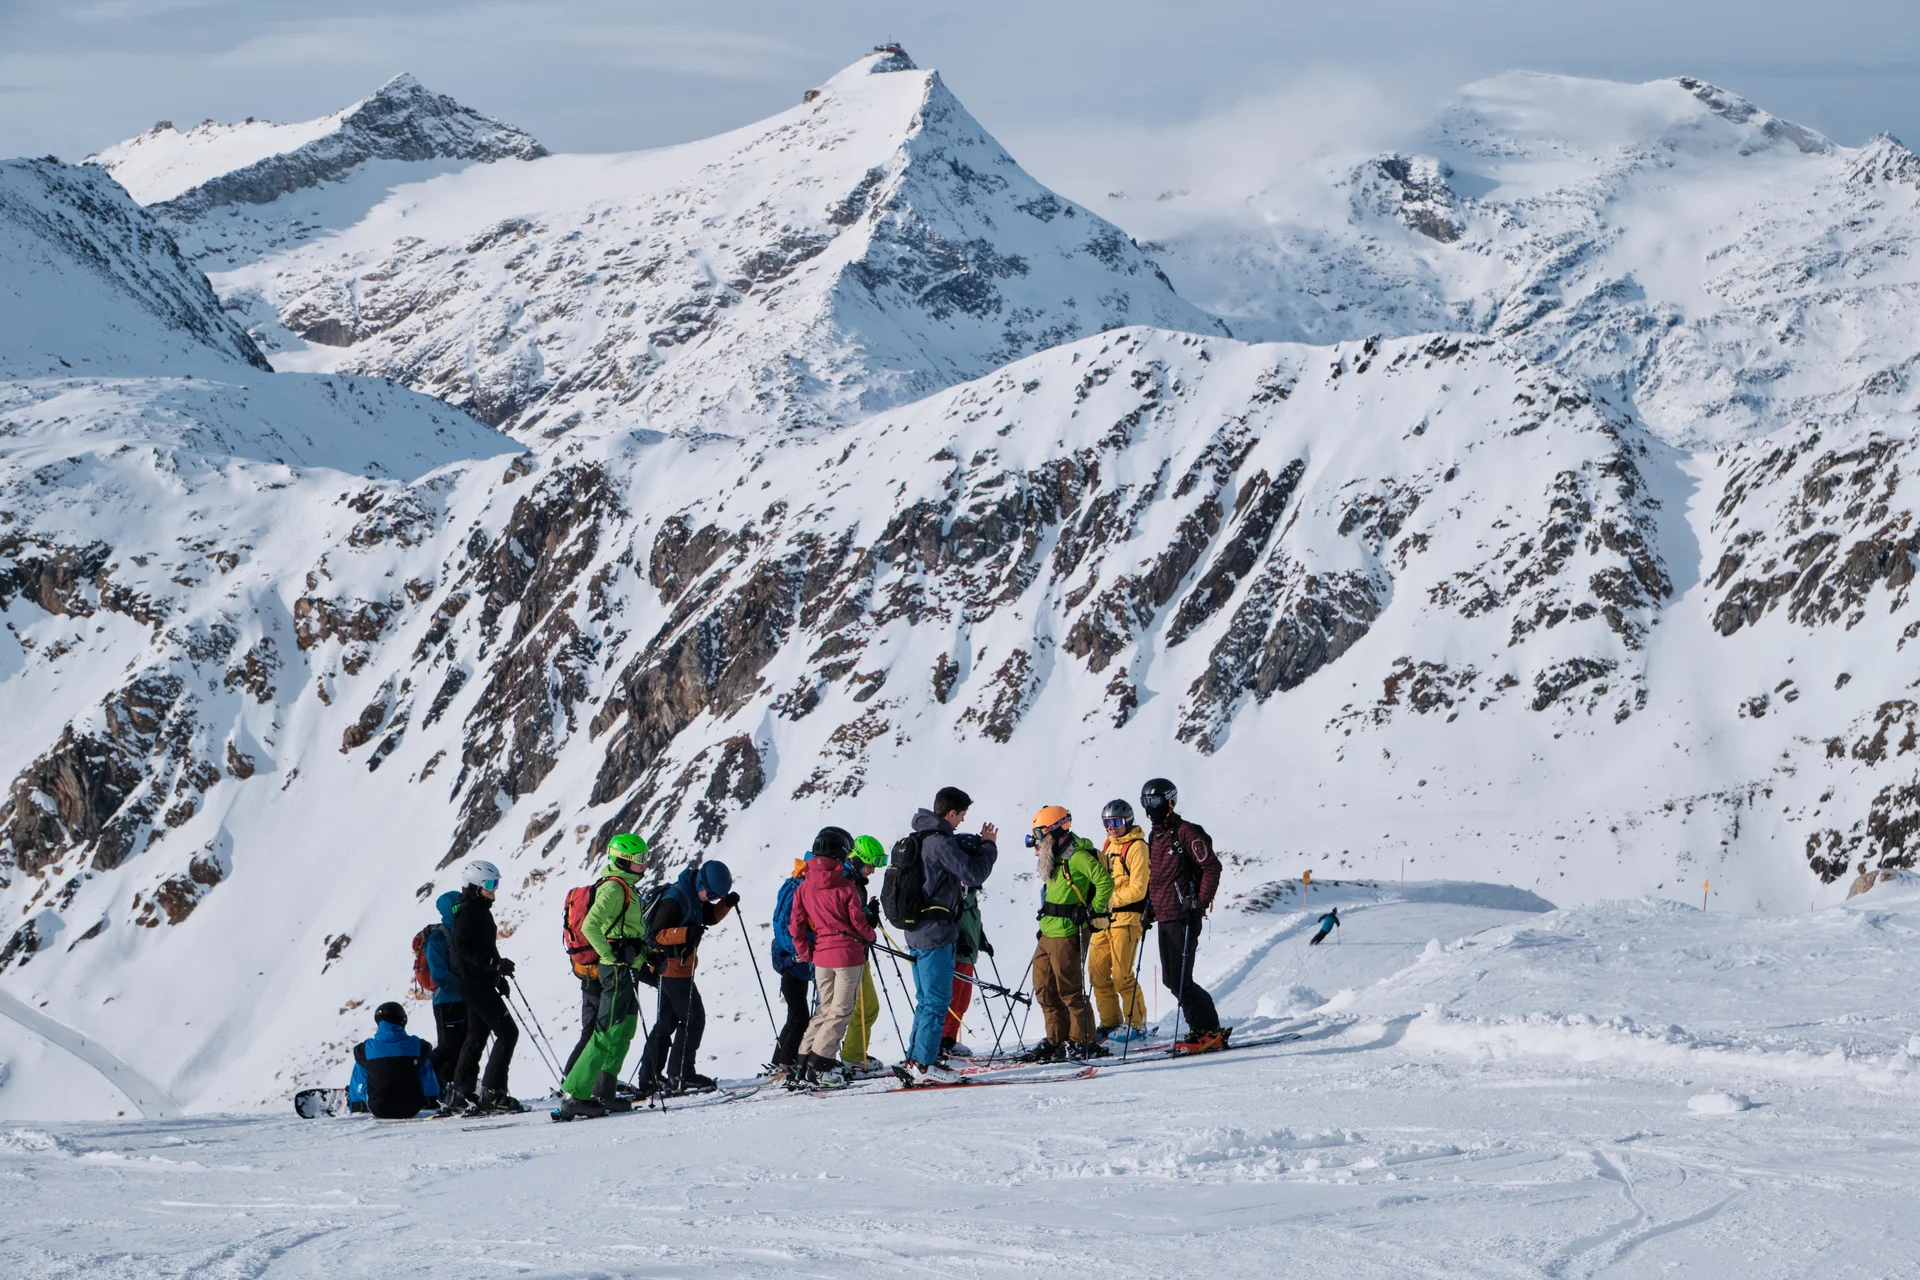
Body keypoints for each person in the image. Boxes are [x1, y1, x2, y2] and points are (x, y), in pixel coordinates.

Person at [901, 787, 998, 1084]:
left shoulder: (916, 839)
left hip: (915, 931)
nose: (961, 823)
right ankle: (924, 1064)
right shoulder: (939, 842)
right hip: (935, 932)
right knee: (936, 1001)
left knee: (925, 1000)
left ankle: (915, 1059)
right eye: (962, 816)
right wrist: (988, 847)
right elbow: (972, 874)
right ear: (951, 812)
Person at [557, 833, 652, 1119]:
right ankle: (575, 1095)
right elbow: (591, 926)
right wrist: (610, 956)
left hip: (628, 970)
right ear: (623, 860)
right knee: (606, 1033)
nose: (645, 864)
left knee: (624, 1031)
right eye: (640, 859)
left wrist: (649, 956)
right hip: (616, 971)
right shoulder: (614, 889)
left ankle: (605, 1091)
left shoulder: (629, 889)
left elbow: (631, 935)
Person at [1141, 778, 1229, 1052]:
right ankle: (1201, 1029)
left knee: (1180, 979)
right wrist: (1149, 907)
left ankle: (1209, 1030)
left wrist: (1200, 903)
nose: (1150, 806)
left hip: (1184, 915)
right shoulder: (1154, 836)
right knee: (1171, 979)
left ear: (1170, 801)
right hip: (1165, 915)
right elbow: (1157, 878)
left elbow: (1212, 867)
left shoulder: (1186, 832)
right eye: (1146, 801)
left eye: (1154, 800)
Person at [636, 860, 738, 1095]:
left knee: (667, 1022)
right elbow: (656, 936)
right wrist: (686, 933)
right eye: (711, 894)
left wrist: (726, 904)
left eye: (716, 896)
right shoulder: (676, 898)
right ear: (701, 882)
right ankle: (681, 1074)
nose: (712, 899)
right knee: (693, 1020)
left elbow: (708, 918)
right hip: (671, 968)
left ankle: (650, 1078)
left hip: (677, 968)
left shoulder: (693, 896)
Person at [1023, 806, 1112, 1062]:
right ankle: (1057, 1040)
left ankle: (1083, 1041)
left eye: (1041, 834)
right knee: (1044, 989)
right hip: (1047, 933)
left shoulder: (1078, 857)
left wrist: (1092, 911)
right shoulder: (1053, 857)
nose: (1038, 841)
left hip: (1068, 932)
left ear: (1056, 830)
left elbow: (1105, 881)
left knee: (1070, 990)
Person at [788, 827, 877, 1082]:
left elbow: (796, 925)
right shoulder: (846, 885)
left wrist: (807, 952)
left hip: (821, 957)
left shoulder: (803, 886)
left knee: (824, 1010)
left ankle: (803, 1063)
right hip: (847, 955)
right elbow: (859, 924)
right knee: (841, 1011)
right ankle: (822, 1065)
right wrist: (870, 935)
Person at [445, 859, 528, 1113]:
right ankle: (493, 1094)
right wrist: (495, 964)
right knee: (507, 1033)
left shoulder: (478, 909)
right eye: (490, 884)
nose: (494, 889)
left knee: (477, 1034)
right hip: (473, 983)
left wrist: (496, 976)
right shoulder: (469, 911)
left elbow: (482, 949)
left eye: (496, 883)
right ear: (474, 886)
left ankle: (462, 1093)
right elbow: (463, 949)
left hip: (477, 981)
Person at [1089, 798, 1150, 1042]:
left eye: (1115, 822)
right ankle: (1110, 1022)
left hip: (1126, 919)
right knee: (1097, 974)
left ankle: (1136, 1023)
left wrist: (1107, 900)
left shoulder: (1137, 847)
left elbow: (1138, 889)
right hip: (1102, 920)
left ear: (1128, 821)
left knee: (1121, 975)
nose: (1111, 827)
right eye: (1107, 823)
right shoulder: (1108, 845)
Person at [838, 836, 887, 1075]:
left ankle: (853, 1054)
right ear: (857, 860)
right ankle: (852, 1057)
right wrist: (866, 917)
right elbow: (847, 919)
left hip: (857, 953)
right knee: (866, 1008)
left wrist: (867, 913)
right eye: (870, 866)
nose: (873, 871)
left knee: (865, 1008)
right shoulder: (847, 882)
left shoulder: (855, 882)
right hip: (851, 954)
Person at [348, 1002, 440, 1119]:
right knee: (424, 1063)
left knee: (360, 1066)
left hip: (378, 1108)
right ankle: (431, 1100)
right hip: (412, 1107)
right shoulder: (418, 1045)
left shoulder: (365, 1048)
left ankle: (357, 1105)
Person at [770, 854, 813, 1075]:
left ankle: (779, 1060)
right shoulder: (802, 889)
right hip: (797, 965)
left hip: (793, 966)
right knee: (801, 1017)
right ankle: (787, 1061)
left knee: (794, 1016)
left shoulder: (792, 885)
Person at [940, 885, 993, 1059]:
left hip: (968, 954)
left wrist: (980, 938)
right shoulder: (954, 892)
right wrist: (957, 939)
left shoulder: (971, 894)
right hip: (955, 955)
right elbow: (945, 918)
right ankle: (941, 1041)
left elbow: (971, 918)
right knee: (951, 1000)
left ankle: (950, 1038)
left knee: (962, 1002)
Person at [422, 890, 468, 1090]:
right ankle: (423, 1083)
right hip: (447, 1000)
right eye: (457, 907)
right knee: (448, 1046)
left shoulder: (463, 932)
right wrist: (464, 983)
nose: (461, 911)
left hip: (463, 997)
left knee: (463, 1045)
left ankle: (447, 1086)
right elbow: (439, 974)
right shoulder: (438, 937)